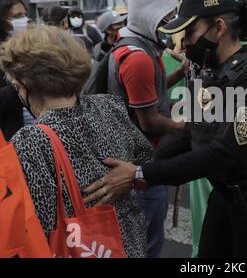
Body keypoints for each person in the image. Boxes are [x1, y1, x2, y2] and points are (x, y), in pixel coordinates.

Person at [83, 0, 247, 258]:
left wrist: (140, 174)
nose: (183, 44)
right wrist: (141, 166)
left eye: (189, 33)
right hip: (225, 198)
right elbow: (190, 134)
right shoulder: (209, 73)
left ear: (218, 28)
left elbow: (225, 152)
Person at [0, 25, 150, 257]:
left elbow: (38, 223)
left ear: (25, 85)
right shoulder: (109, 106)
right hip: (131, 241)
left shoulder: (30, 141)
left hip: (80, 248)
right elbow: (147, 160)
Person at [105, 0, 187, 258]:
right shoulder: (138, 58)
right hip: (140, 164)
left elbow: (152, 92)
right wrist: (183, 127)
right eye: (166, 18)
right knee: (147, 243)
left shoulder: (138, 46)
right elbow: (149, 120)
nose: (171, 25)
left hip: (137, 157)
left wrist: (179, 73)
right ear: (148, 15)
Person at [0, 0, 33, 141]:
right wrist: (20, 86)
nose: (24, 20)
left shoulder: (30, 46)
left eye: (24, 14)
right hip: (13, 137)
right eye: (17, 16)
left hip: (40, 130)